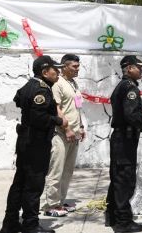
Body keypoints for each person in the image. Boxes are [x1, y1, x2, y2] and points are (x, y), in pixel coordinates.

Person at [0, 55, 68, 233]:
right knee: (34, 183)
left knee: (20, 182)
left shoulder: (30, 85)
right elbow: (40, 117)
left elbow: (18, 98)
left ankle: (11, 223)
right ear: (45, 72)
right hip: (36, 143)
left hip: (26, 141)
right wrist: (59, 121)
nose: (58, 72)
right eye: (56, 69)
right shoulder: (42, 89)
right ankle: (30, 224)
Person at [105, 55, 142, 233]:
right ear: (129, 68)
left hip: (121, 138)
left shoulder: (123, 86)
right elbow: (130, 116)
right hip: (125, 140)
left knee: (118, 177)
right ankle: (123, 223)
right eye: (139, 67)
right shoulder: (130, 88)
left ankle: (112, 216)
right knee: (125, 181)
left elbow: (125, 113)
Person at [43, 54, 86, 217]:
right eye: (74, 66)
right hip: (60, 134)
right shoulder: (58, 83)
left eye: (78, 65)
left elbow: (77, 107)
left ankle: (60, 201)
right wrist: (67, 129)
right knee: (56, 170)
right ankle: (50, 205)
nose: (78, 69)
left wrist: (80, 127)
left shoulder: (73, 84)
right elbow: (57, 108)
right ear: (64, 67)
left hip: (73, 134)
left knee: (67, 171)